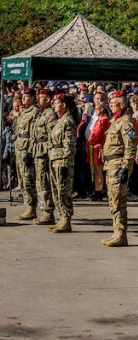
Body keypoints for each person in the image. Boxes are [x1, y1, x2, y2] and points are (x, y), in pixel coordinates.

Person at [101, 90, 138, 246]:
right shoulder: (115, 121)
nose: (110, 104)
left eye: (113, 101)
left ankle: (121, 233)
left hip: (118, 165)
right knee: (113, 200)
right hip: (111, 165)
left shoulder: (126, 122)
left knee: (118, 200)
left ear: (122, 104)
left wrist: (126, 167)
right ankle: (117, 230)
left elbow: (130, 146)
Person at [48, 94, 77, 233]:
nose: (54, 105)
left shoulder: (68, 121)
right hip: (54, 159)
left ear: (64, 105)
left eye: (56, 103)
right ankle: (61, 218)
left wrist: (66, 162)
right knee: (56, 191)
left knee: (63, 191)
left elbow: (69, 145)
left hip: (62, 161)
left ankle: (66, 219)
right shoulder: (58, 121)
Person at [14, 88, 39, 221]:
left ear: (33, 98)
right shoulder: (24, 112)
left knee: (29, 178)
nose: (23, 99)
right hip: (20, 147)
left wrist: (30, 150)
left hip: (27, 148)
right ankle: (28, 205)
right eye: (22, 96)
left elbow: (34, 133)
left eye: (27, 96)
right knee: (23, 178)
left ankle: (31, 207)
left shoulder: (35, 112)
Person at [32, 87, 57, 224]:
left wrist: (48, 153)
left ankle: (48, 212)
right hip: (38, 151)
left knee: (44, 182)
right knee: (40, 182)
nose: (37, 99)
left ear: (47, 99)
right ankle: (45, 211)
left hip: (45, 152)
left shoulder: (49, 115)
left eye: (40, 97)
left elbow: (52, 136)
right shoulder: (42, 114)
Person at [85, 101, 110, 201]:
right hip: (94, 147)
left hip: (98, 147)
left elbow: (97, 134)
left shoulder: (104, 120)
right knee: (95, 170)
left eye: (97, 109)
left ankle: (99, 190)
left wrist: (89, 142)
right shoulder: (99, 119)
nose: (95, 111)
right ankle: (97, 189)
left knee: (99, 170)